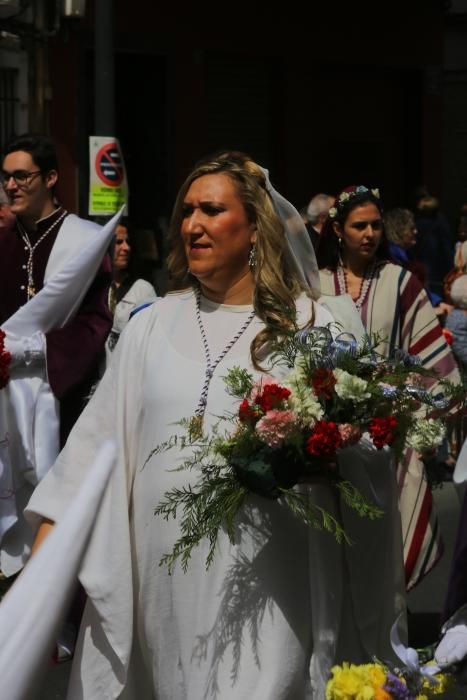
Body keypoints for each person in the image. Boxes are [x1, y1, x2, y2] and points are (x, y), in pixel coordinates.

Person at [26, 152, 405, 699]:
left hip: (271, 583)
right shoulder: (147, 328)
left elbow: (367, 454)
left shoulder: (312, 328)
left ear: (254, 227)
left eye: (210, 209)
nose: (192, 225)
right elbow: (86, 460)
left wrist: (330, 455)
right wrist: (38, 591)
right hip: (163, 584)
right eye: (186, 211)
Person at [317, 185, 461, 592]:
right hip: (331, 437)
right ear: (338, 231)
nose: (369, 234)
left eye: (376, 225)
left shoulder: (401, 282)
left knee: (385, 539)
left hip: (387, 436)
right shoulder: (316, 284)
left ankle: (389, 642)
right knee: (334, 544)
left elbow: (431, 360)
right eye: (359, 225)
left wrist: (424, 417)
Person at [0, 133, 113, 581]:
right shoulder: (3, 242)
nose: (11, 185)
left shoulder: (82, 240)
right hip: (5, 401)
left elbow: (95, 319)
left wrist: (33, 352)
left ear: (50, 178)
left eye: (22, 175)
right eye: (6, 177)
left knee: (60, 510)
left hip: (66, 399)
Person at [105, 220, 157, 366]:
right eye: (118, 242)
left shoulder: (142, 290)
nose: (126, 247)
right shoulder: (93, 288)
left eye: (128, 242)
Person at [384, 206, 452, 318]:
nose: (416, 231)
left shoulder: (407, 254)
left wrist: (438, 302)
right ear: (399, 230)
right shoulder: (392, 259)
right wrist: (432, 310)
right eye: (411, 228)